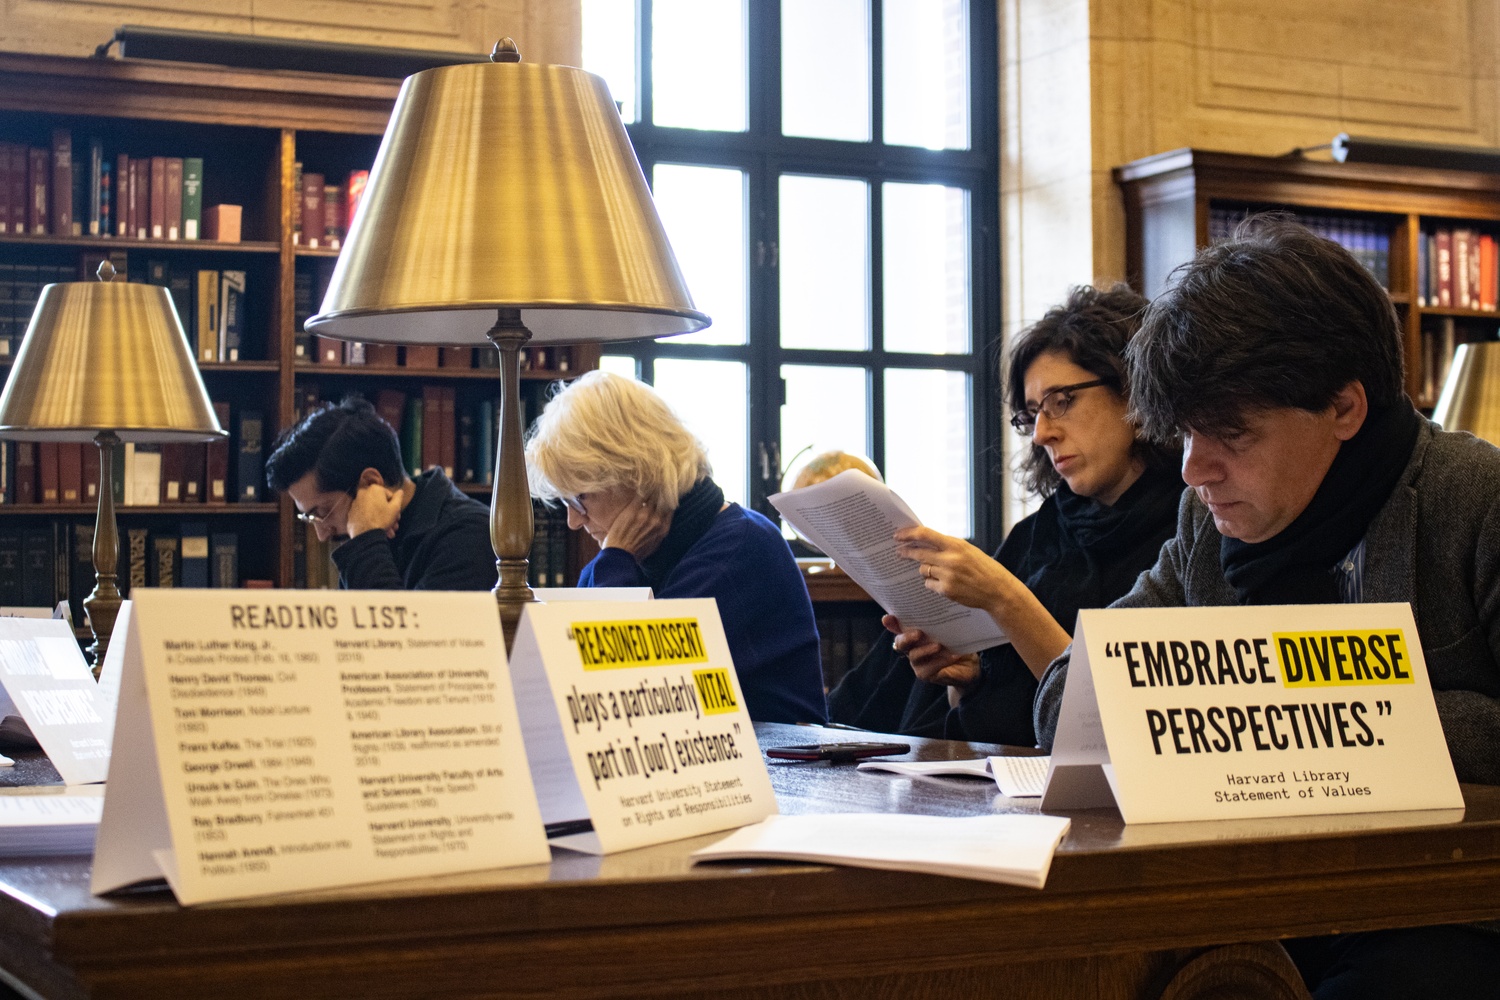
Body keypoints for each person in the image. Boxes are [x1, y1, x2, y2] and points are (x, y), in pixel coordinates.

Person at [1032, 217, 1500, 999]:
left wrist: (1304, 712)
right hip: (1258, 905)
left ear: (1344, 409)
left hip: (1449, 914)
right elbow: (1066, 700)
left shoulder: (1477, 502)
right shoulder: (1208, 530)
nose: (1193, 471)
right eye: (1183, 433)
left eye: (1230, 435)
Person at [828, 285, 1183, 746]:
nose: (1041, 434)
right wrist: (966, 680)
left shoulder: (1193, 526)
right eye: (1032, 413)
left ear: (1132, 390)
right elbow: (999, 723)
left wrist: (1005, 599)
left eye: (1062, 401)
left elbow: (1119, 722)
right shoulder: (1039, 534)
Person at [525, 371, 827, 725]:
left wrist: (617, 560)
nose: (575, 522)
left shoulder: (742, 547)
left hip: (784, 773)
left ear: (633, 474)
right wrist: (615, 559)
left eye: (580, 498)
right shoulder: (624, 556)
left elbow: (631, 694)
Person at [265, 395, 497, 591]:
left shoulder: (469, 535)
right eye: (309, 517)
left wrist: (366, 540)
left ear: (370, 482)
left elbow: (394, 641)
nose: (321, 535)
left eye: (323, 512)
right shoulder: (373, 538)